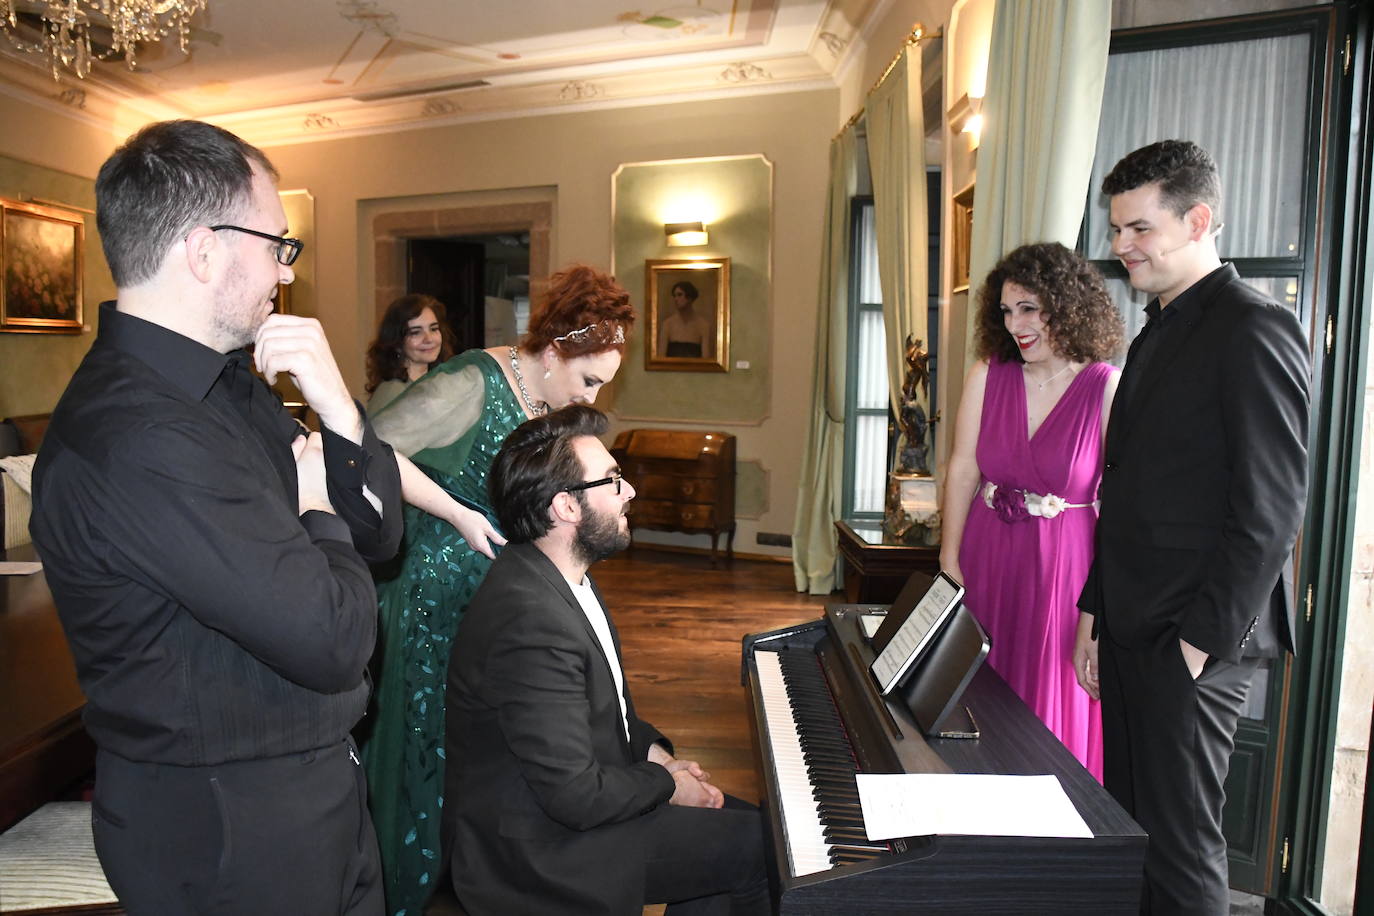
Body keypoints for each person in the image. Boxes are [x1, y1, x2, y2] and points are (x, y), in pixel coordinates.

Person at [29, 119, 403, 913]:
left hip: (310, 790)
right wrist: (312, 509)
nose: (284, 270)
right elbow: (335, 637)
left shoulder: (228, 384)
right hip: (231, 828)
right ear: (203, 250)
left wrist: (337, 411)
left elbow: (380, 532)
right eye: (277, 244)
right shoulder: (139, 433)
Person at [1076, 140, 1309, 915]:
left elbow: (1270, 511)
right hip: (1134, 624)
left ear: (1198, 218)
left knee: (1181, 852)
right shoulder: (1154, 331)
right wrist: (1095, 612)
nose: (1120, 247)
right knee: (1134, 832)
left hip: (1195, 639)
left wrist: (1195, 644)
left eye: (1138, 229)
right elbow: (1129, 494)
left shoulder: (1255, 326)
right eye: (1115, 230)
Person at [361, 264, 635, 916]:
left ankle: (480, 874)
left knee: (486, 741)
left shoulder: (548, 402)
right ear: (556, 345)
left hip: (493, 592)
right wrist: (455, 512)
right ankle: (409, 889)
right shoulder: (474, 381)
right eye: (588, 379)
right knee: (425, 746)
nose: (590, 395)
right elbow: (366, 450)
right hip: (433, 594)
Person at [444, 405, 770, 915]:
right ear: (566, 507)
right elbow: (575, 796)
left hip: (569, 813)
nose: (630, 492)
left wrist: (657, 755)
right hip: (544, 851)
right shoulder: (530, 620)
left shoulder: (558, 578)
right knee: (762, 850)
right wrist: (667, 785)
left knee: (755, 828)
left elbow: (608, 712)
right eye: (613, 481)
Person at [940, 242, 1124, 781]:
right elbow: (962, 469)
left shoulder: (1105, 387)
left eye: (1028, 308)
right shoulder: (987, 374)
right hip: (986, 555)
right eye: (1005, 311)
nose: (1015, 324)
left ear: (1065, 306)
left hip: (1063, 570)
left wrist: (1094, 613)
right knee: (974, 691)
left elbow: (1117, 507)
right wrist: (949, 560)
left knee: (1047, 699)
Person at [365, 293, 454, 412]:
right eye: (415, 332)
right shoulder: (392, 393)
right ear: (397, 342)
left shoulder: (437, 383)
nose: (428, 339)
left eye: (433, 329)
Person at [659, 279, 711, 358]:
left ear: (689, 297)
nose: (676, 299)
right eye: (674, 296)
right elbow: (661, 357)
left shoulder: (703, 325)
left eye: (679, 295)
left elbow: (706, 358)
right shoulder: (667, 324)